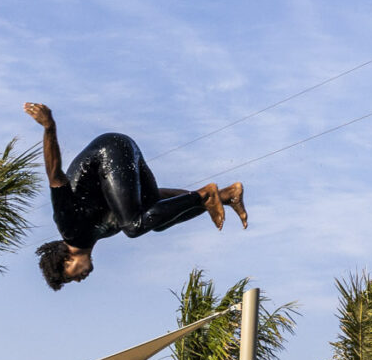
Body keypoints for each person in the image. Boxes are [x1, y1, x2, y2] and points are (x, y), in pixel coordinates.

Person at [26, 103, 246, 291]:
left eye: (69, 277)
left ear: (66, 260)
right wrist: (211, 198)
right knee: (153, 221)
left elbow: (55, 177)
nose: (78, 280)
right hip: (122, 153)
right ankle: (226, 194)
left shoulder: (69, 227)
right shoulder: (99, 232)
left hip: (109, 152)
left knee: (133, 226)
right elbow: (159, 199)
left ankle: (207, 195)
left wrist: (49, 127)